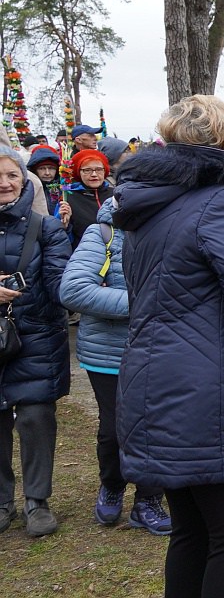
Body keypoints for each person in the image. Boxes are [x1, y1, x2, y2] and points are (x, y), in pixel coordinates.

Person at [112, 95, 224, 598]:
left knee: (193, 529)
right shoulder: (223, 201)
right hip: (208, 390)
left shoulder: (149, 205)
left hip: (153, 381)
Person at [59, 197, 171, 534]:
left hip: (161, 349)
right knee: (115, 429)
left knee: (157, 427)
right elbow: (75, 290)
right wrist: (145, 303)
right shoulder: (104, 233)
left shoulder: (174, 228)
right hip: (110, 352)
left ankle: (148, 500)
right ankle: (112, 483)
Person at [0, 147, 72, 537]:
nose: (4, 184)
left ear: (24, 181)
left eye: (11, 175)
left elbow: (61, 281)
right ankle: (1, 501)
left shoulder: (46, 228)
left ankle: (36, 500)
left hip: (36, 337)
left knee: (34, 418)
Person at [63, 150, 114, 248]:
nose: (94, 174)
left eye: (99, 169)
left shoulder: (115, 195)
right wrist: (65, 225)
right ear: (79, 173)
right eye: (87, 170)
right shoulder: (69, 198)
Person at [28, 145, 65, 218]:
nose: (47, 173)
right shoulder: (29, 189)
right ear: (34, 170)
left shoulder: (64, 188)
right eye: (42, 168)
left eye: (51, 168)